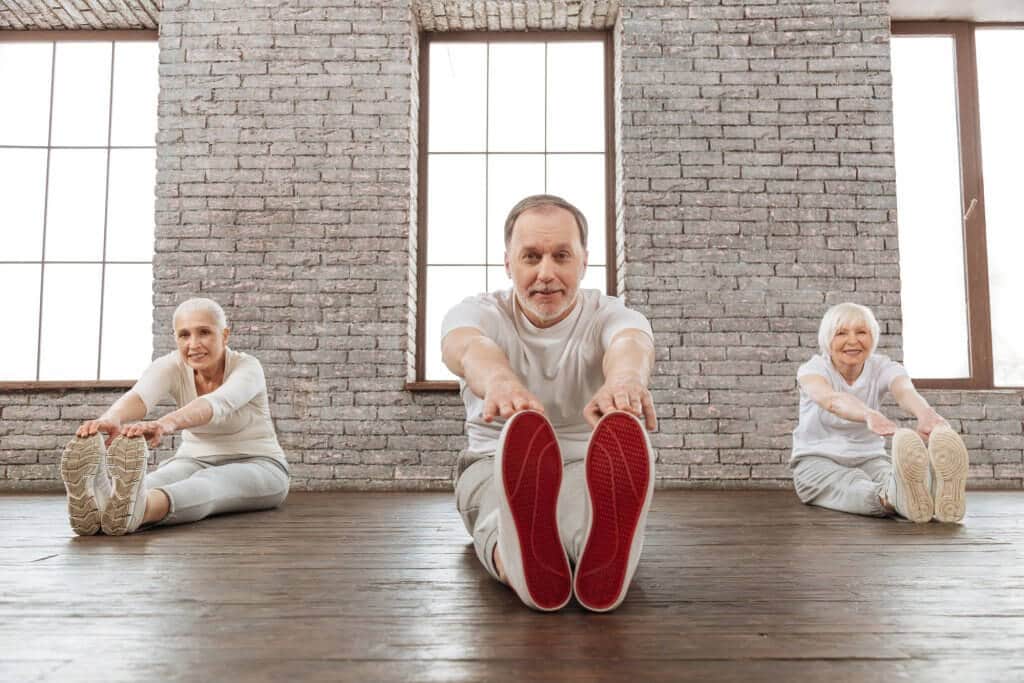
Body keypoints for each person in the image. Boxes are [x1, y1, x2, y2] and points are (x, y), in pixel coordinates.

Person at [441, 194, 657, 612]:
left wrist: (626, 380)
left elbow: (630, 344)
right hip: (493, 460)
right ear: (508, 263)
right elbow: (466, 347)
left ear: (583, 260)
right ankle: (520, 562)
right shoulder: (478, 311)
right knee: (495, 510)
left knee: (584, 513)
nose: (546, 273)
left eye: (561, 256)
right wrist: (500, 381)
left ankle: (596, 559)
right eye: (531, 257)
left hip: (586, 463)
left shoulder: (610, 314)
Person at [59, 297, 289, 536]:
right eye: (184, 335)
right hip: (192, 459)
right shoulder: (171, 365)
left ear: (225, 335)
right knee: (153, 481)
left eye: (204, 332)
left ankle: (141, 511)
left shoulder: (248, 367)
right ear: (176, 339)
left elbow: (215, 404)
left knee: (208, 483)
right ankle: (102, 502)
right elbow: (140, 395)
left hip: (260, 464)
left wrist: (164, 424)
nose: (194, 344)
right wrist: (111, 418)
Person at [791, 302, 969, 523]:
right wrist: (868, 414)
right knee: (851, 484)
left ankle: (924, 491)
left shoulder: (883, 366)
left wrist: (926, 414)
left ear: (872, 337)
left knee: (893, 477)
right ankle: (899, 496)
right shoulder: (813, 370)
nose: (853, 340)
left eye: (862, 332)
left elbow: (904, 391)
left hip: (870, 458)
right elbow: (832, 401)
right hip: (816, 461)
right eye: (841, 333)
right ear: (827, 340)